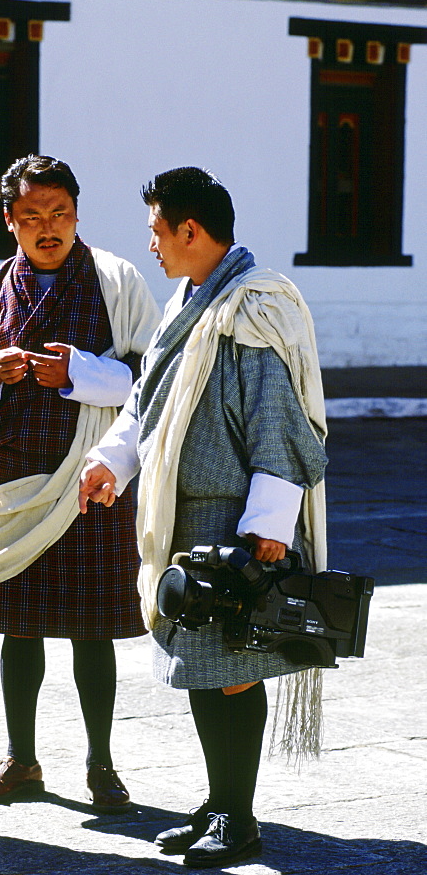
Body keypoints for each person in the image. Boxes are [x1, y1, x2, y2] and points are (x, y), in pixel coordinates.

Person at [79, 167, 328, 868]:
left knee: (234, 669)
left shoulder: (252, 307)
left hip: (237, 524)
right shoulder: (186, 301)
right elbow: (146, 407)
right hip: (180, 519)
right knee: (200, 665)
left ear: (189, 229)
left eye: (156, 231)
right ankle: (219, 801)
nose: (151, 246)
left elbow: (277, 426)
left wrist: (267, 532)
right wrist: (110, 463)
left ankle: (238, 817)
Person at [0, 154, 160, 811]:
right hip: (16, 478)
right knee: (19, 629)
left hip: (90, 479)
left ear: (77, 214)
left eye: (61, 214)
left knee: (90, 630)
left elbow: (151, 379)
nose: (49, 228)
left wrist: (77, 374)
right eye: (33, 216)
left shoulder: (116, 280)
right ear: (9, 220)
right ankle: (21, 760)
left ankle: (102, 765)